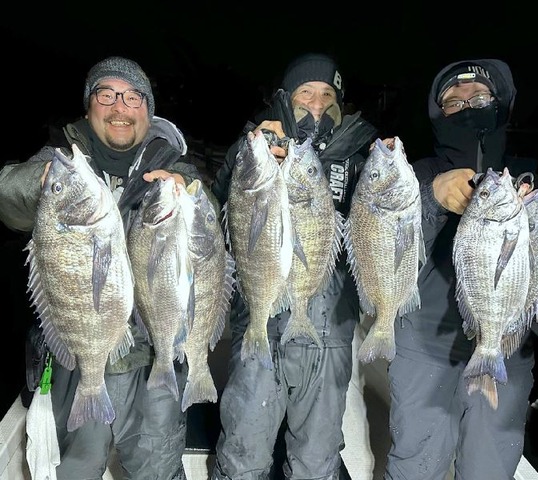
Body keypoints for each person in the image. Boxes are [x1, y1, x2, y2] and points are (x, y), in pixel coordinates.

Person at [0, 56, 202, 480]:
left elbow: (214, 216)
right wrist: (43, 184)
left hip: (151, 353)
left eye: (132, 97)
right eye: (106, 95)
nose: (119, 107)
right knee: (74, 469)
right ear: (89, 106)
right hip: (76, 358)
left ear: (148, 110)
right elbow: (6, 195)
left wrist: (192, 196)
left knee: (158, 468)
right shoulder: (61, 159)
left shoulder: (172, 163)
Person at [384, 59, 538, 480]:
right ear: (438, 113)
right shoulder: (418, 173)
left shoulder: (532, 176)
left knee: (490, 468)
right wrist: (430, 197)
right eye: (454, 101)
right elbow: (384, 252)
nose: (467, 106)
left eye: (479, 97)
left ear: (500, 104)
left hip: (507, 347)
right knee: (415, 465)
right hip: (425, 345)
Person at [210, 52, 378, 480]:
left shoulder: (361, 152)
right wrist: (246, 154)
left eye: (327, 94)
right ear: (287, 97)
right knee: (244, 448)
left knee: (317, 456)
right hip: (261, 319)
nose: (317, 103)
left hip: (330, 328)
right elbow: (222, 202)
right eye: (306, 92)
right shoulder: (259, 144)